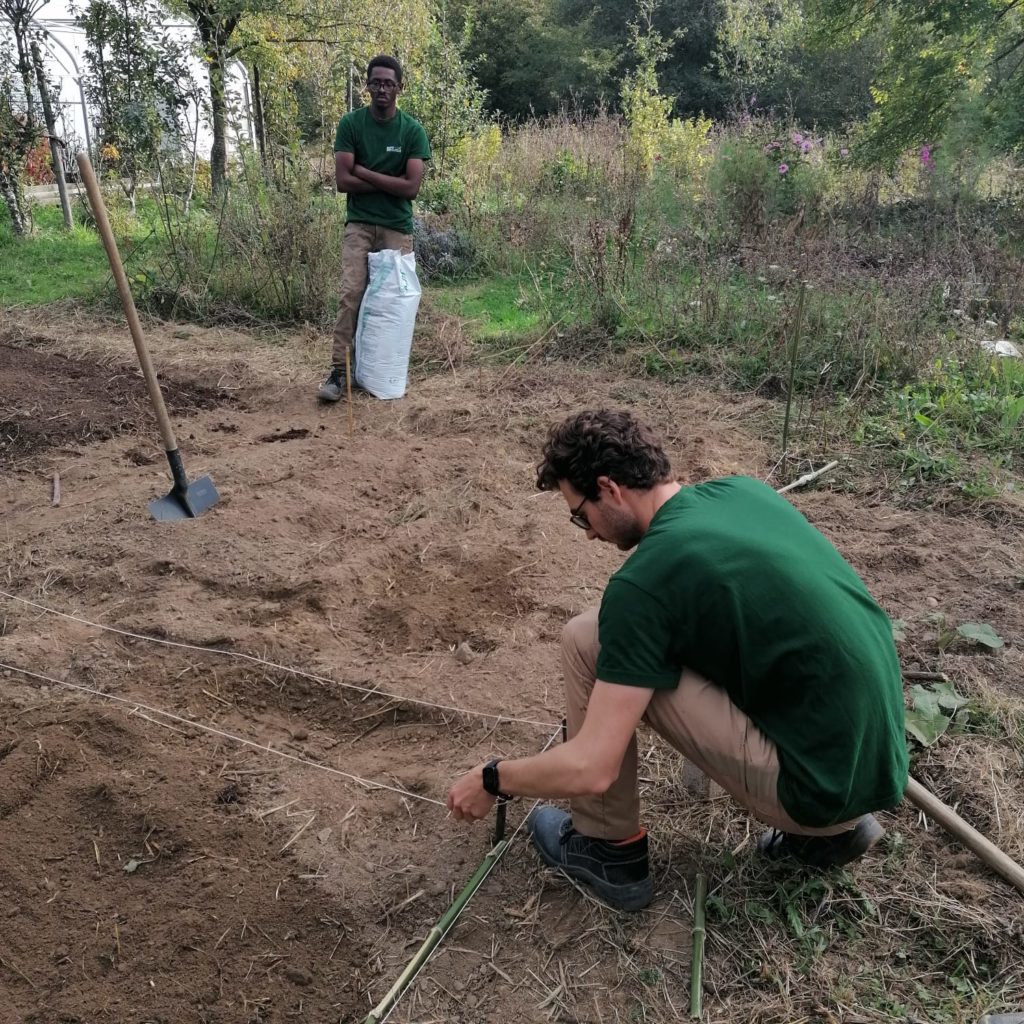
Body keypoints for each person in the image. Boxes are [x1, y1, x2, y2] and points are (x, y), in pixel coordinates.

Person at [446, 409, 909, 912]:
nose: (588, 534)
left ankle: (608, 848)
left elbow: (592, 767)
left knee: (587, 639)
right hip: (873, 762)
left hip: (815, 791)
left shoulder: (645, 583)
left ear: (610, 488)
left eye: (581, 514)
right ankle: (831, 833)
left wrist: (492, 778)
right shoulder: (742, 492)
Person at [318, 55, 431, 402]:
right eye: (376, 82)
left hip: (397, 227)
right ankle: (340, 372)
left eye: (389, 83)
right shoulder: (351, 125)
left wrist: (364, 172)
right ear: (366, 86)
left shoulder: (412, 130)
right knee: (351, 294)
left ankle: (384, 372)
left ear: (399, 87)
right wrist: (389, 181)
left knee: (393, 303)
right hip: (360, 225)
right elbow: (341, 181)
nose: (382, 88)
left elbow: (411, 188)